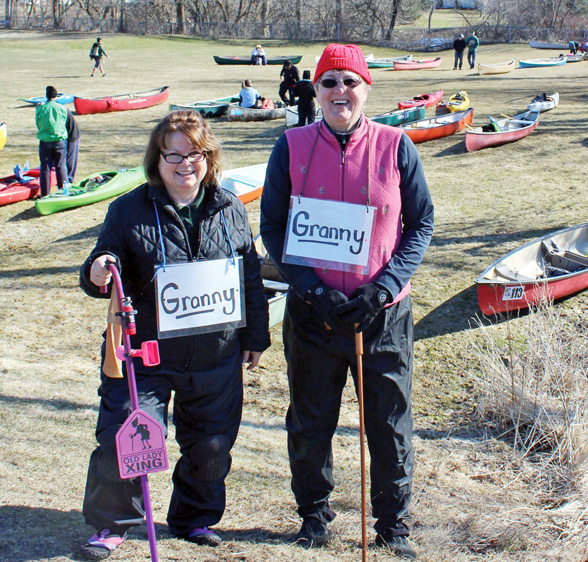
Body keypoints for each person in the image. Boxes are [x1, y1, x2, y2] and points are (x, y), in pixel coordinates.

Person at [259, 43, 434, 560]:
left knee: (388, 423)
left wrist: (382, 288)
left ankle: (393, 526)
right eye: (329, 82)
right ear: (315, 89)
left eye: (349, 82)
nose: (340, 91)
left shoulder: (396, 145)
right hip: (314, 316)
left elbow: (420, 223)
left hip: (383, 314)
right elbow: (272, 227)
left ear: (366, 89)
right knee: (310, 420)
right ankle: (313, 516)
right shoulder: (290, 146)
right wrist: (312, 289)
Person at [78, 109, 270, 561]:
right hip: (145, 354)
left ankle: (194, 517)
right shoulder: (128, 209)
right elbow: (103, 261)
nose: (186, 164)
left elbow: (250, 277)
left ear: (210, 157)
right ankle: (113, 522)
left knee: (212, 443)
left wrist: (255, 338)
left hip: (215, 352)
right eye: (174, 155)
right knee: (124, 435)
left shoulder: (230, 209)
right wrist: (98, 270)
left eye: (196, 154)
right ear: (157, 160)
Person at [35, 85, 68, 197]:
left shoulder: (40, 109)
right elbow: (64, 122)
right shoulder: (62, 108)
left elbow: (38, 124)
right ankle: (63, 190)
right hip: (59, 140)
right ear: (55, 96)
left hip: (45, 141)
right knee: (61, 167)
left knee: (45, 168)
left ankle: (44, 194)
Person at [66, 108, 80, 183]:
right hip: (65, 136)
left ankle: (69, 179)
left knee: (70, 159)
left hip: (72, 136)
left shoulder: (61, 111)